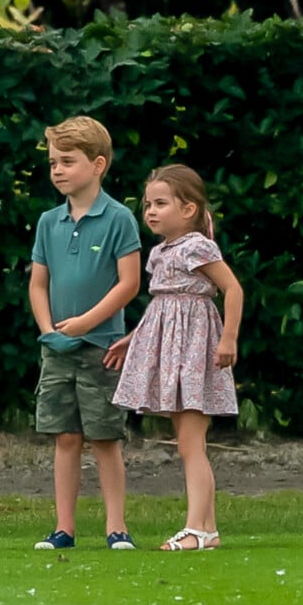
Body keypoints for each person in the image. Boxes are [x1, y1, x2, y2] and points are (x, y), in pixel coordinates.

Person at [105, 163, 243, 551]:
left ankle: (196, 528)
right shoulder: (160, 252)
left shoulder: (198, 247)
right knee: (187, 442)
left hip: (195, 352)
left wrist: (227, 338)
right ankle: (208, 530)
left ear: (188, 208)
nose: (150, 211)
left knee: (190, 443)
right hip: (171, 352)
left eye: (160, 203)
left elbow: (233, 289)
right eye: (148, 204)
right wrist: (134, 339)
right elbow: (162, 311)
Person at [29, 115, 142, 550]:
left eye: (67, 161)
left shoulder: (119, 218)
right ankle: (64, 530)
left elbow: (128, 284)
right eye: (53, 162)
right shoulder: (47, 222)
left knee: (105, 437)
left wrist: (85, 324)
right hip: (56, 350)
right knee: (66, 436)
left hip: (103, 347)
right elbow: (38, 283)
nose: (57, 170)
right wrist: (48, 330)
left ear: (97, 164)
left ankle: (117, 528)